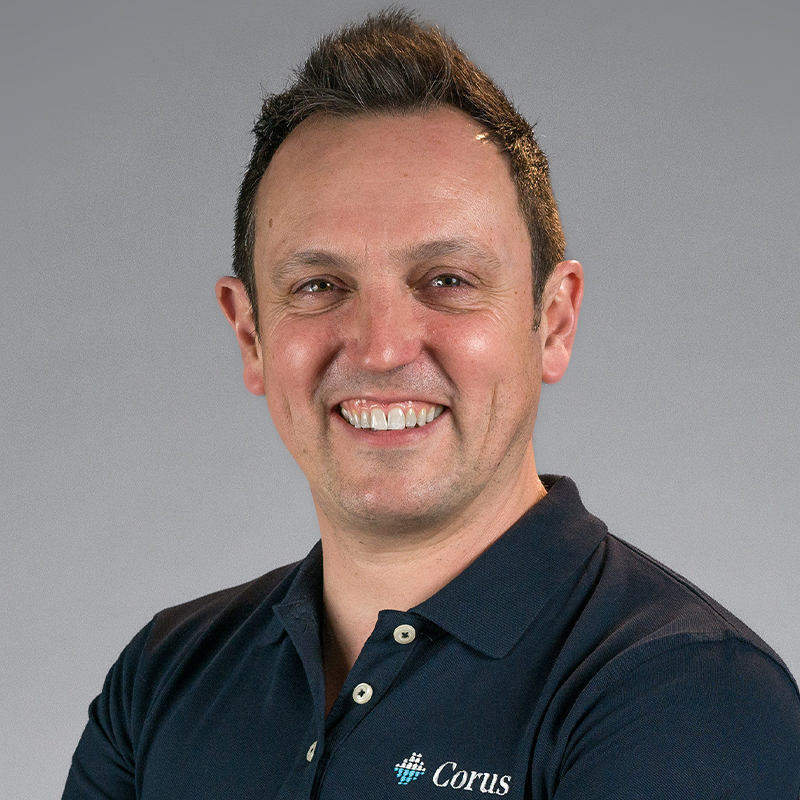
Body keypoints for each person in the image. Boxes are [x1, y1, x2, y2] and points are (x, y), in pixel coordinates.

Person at [63, 10, 800, 798]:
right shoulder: (163, 680)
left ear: (553, 322)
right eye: (319, 285)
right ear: (251, 336)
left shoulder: (686, 696)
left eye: (447, 280)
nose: (381, 348)